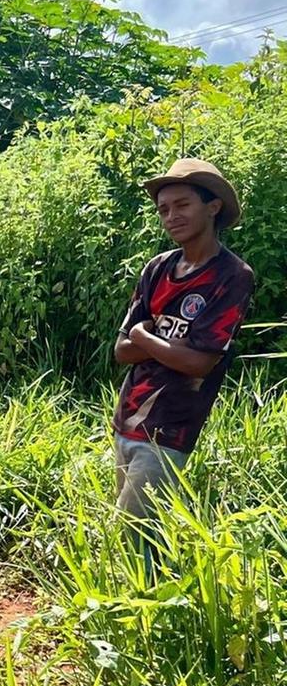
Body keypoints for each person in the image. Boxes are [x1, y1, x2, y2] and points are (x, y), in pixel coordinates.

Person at [112, 158, 254, 540]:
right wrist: (155, 345)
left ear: (213, 207)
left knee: (132, 535)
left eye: (182, 205)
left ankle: (143, 600)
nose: (171, 216)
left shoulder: (231, 276)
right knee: (134, 535)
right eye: (164, 209)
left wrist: (144, 337)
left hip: (171, 425)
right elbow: (120, 351)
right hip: (127, 417)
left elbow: (197, 362)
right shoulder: (157, 268)